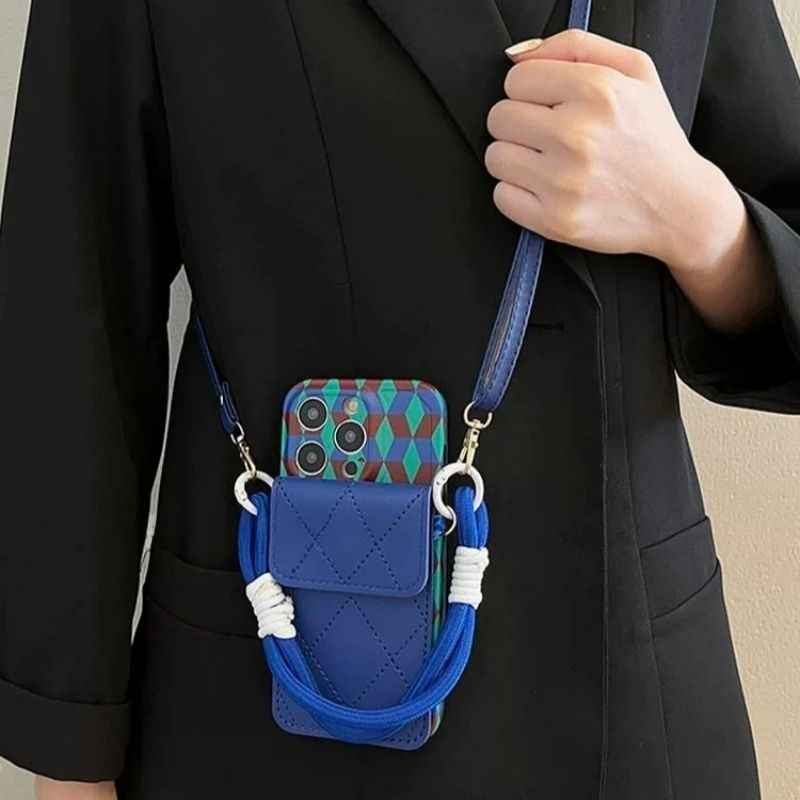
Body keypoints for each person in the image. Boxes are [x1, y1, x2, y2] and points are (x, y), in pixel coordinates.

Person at [1, 0, 798, 798]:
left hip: (634, 698)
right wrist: (68, 755)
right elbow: (72, 303)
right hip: (291, 685)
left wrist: (696, 217)